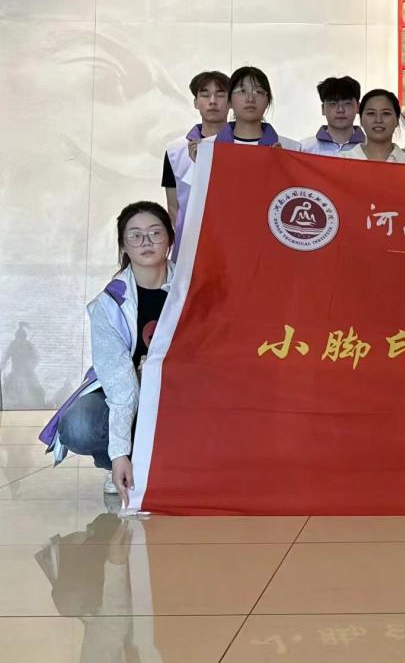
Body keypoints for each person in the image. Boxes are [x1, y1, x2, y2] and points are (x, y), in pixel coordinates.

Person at [38, 202, 175, 506]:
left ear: (170, 239)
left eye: (155, 233)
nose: (146, 242)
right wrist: (119, 453)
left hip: (178, 391)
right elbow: (121, 384)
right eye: (135, 235)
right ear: (124, 245)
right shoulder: (109, 304)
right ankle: (120, 467)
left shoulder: (189, 290)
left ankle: (170, 464)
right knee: (80, 424)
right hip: (127, 389)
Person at [161, 70, 228, 260]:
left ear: (230, 102)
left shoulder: (242, 147)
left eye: (220, 94)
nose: (212, 101)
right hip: (190, 248)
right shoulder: (175, 151)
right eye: (205, 95)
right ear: (196, 102)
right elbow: (174, 207)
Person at [213, 66, 300, 150]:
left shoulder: (292, 148)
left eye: (258, 92)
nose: (250, 99)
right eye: (242, 91)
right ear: (229, 101)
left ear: (268, 101)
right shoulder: (210, 147)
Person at [346, 89, 405, 164]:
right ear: (361, 120)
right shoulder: (343, 160)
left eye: (386, 113)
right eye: (371, 113)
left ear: (397, 120)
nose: (378, 120)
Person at [300, 76, 366, 156]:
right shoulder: (303, 149)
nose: (340, 110)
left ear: (358, 107)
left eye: (347, 103)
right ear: (323, 109)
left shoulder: (372, 149)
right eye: (333, 104)